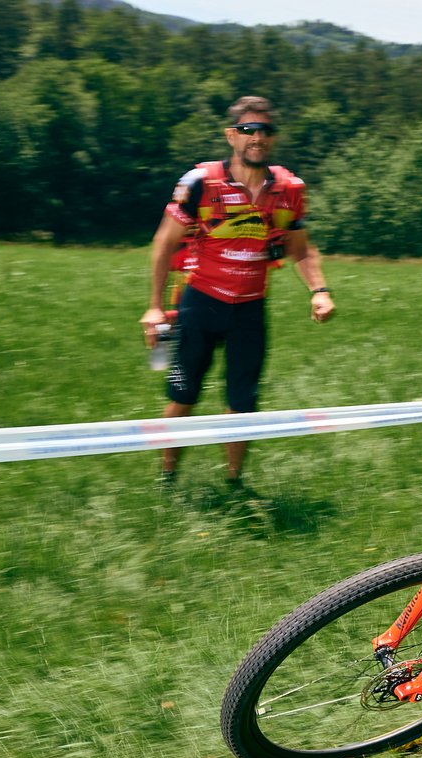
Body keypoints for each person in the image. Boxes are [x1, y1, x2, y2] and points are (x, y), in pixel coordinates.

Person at [138, 95, 336, 489]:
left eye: (265, 130)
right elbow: (164, 243)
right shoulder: (199, 182)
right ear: (231, 135)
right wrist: (155, 307)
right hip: (199, 302)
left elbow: (300, 248)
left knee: (242, 403)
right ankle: (167, 475)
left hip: (249, 309)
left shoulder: (289, 189)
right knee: (183, 393)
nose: (256, 137)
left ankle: (234, 482)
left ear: (273, 138)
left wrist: (319, 290)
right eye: (248, 130)